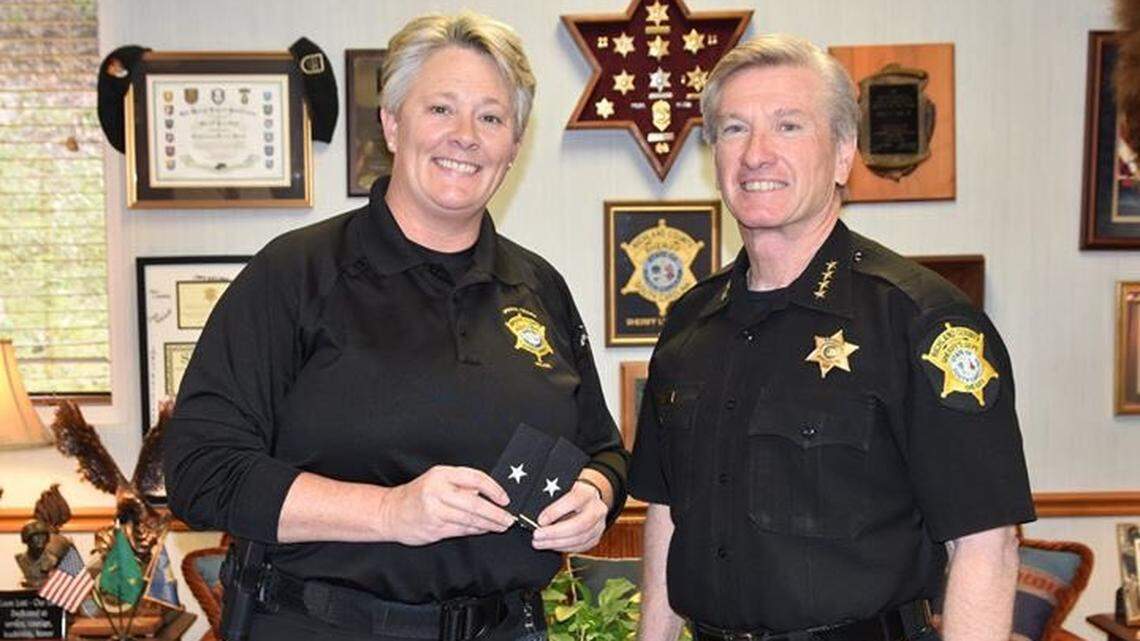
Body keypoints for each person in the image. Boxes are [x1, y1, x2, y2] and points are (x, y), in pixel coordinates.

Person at [164, 12, 627, 641]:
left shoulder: (539, 287)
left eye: (490, 117)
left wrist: (596, 496)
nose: (465, 135)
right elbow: (201, 470)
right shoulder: (294, 273)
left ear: (513, 145)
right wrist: (389, 511)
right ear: (391, 122)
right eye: (440, 108)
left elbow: (601, 449)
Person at [629, 34, 1035, 641]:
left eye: (789, 126)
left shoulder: (922, 321)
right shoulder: (689, 325)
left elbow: (986, 544)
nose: (757, 153)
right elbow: (666, 515)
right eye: (735, 129)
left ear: (844, 153)